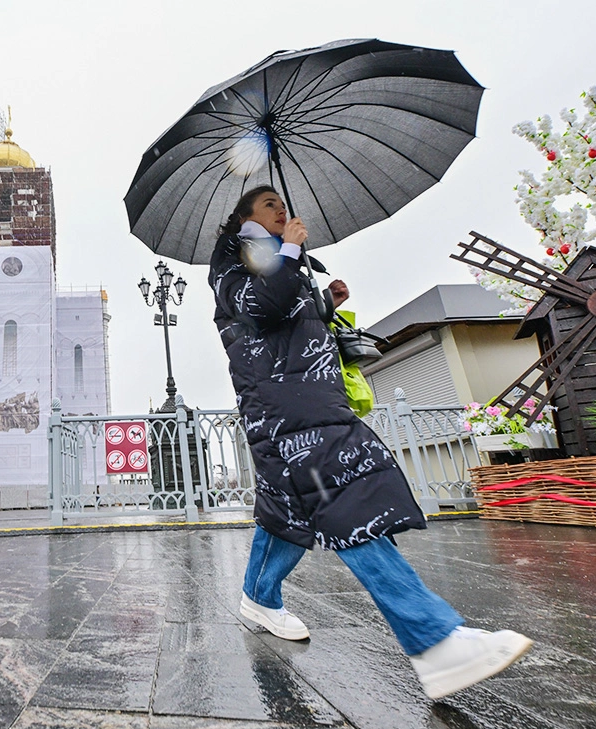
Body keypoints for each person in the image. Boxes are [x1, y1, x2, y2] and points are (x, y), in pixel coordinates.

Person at [210, 186, 532, 700]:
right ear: (245, 217)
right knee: (346, 502)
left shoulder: (276, 261)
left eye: (281, 203)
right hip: (287, 413)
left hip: (311, 403)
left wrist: (325, 302)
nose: (281, 210)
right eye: (269, 204)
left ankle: (258, 596)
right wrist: (292, 253)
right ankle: (436, 642)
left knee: (288, 512)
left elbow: (290, 325)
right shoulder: (231, 261)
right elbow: (263, 307)